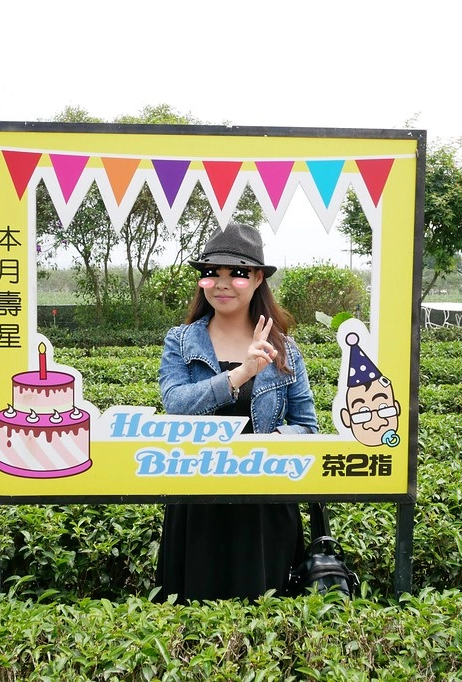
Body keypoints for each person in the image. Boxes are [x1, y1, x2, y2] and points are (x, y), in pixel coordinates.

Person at [155, 223, 318, 603]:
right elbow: (175, 405)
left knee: (264, 621)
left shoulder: (285, 349)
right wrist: (241, 373)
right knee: (190, 621)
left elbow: (307, 426)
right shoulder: (180, 341)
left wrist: (274, 441)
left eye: (238, 273)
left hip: (264, 503)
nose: (223, 283)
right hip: (196, 500)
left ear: (259, 278)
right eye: (212, 273)